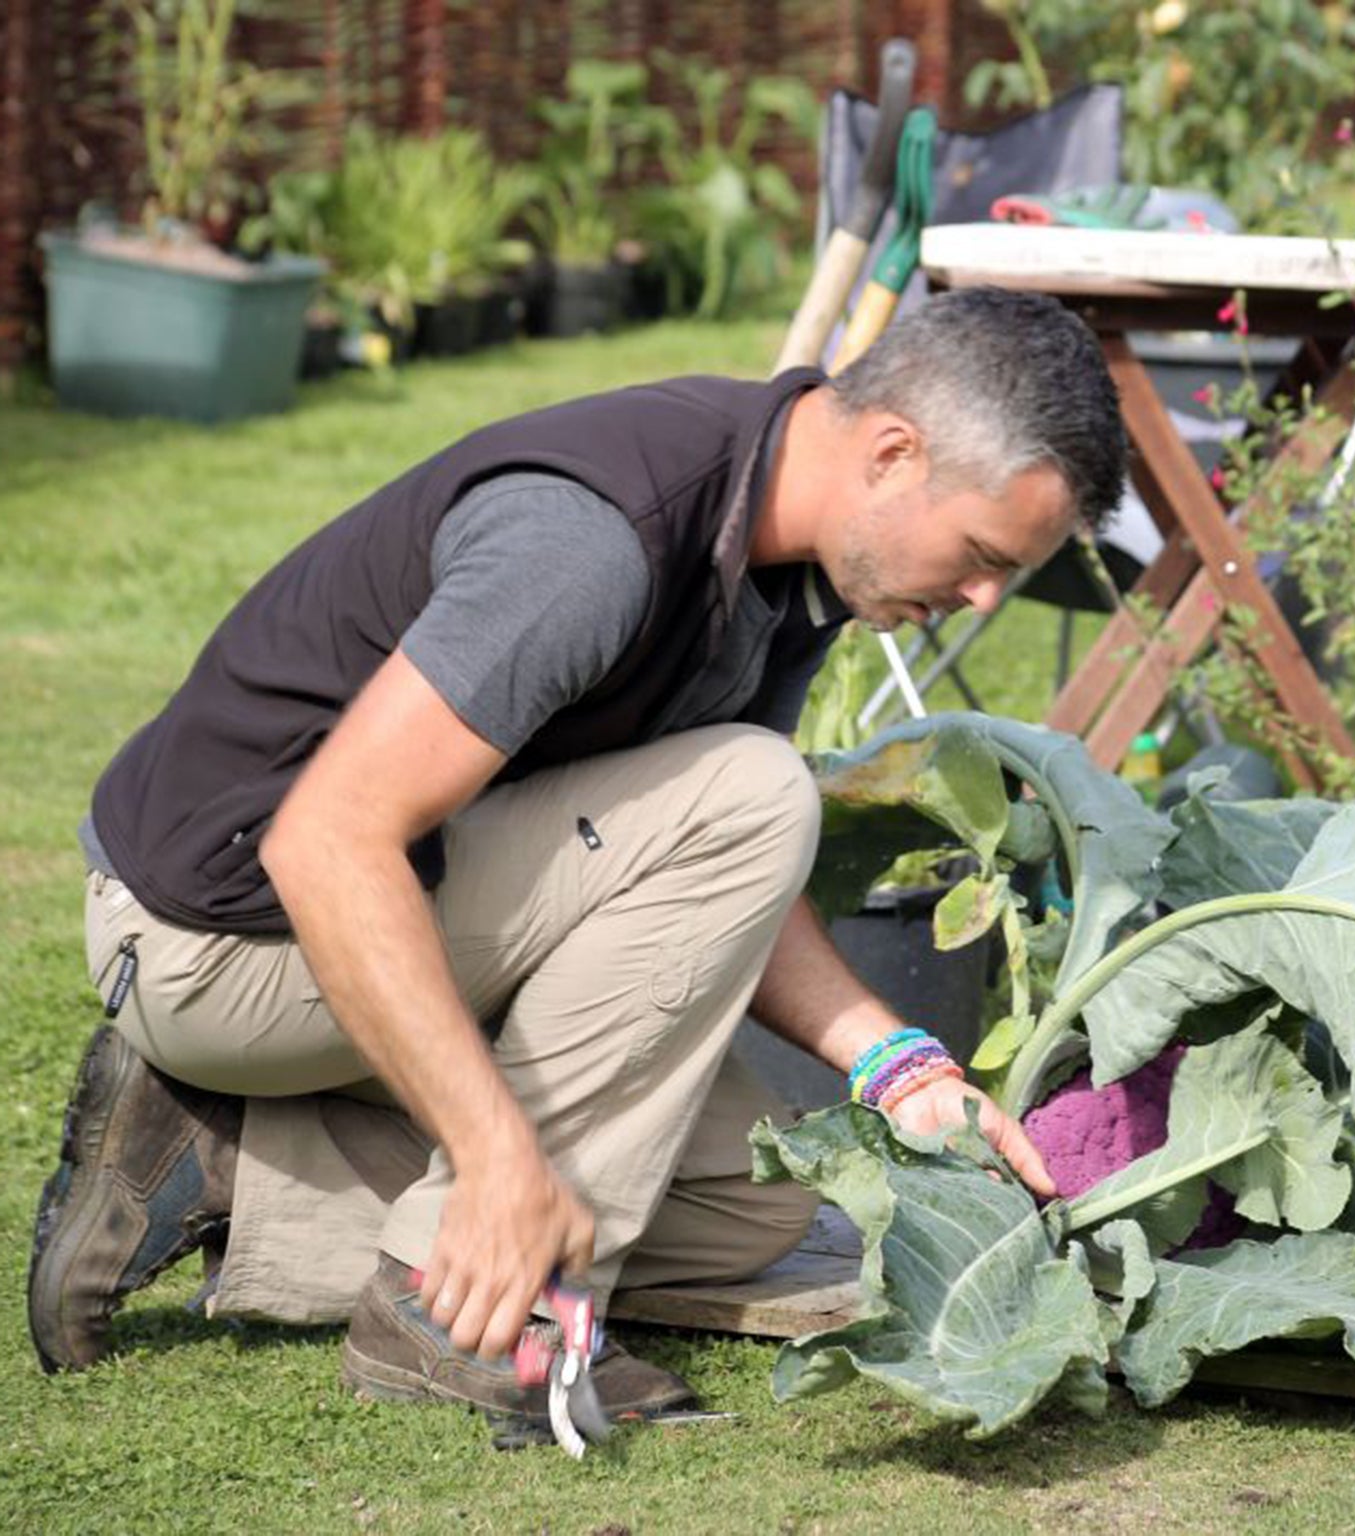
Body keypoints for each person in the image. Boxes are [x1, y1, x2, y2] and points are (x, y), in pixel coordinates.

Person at [28, 287, 1127, 1428]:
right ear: (894, 453)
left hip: (350, 939)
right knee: (754, 793)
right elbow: (327, 840)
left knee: (750, 1199)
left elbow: (699, 870)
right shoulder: (596, 540)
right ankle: (448, 1316)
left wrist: (900, 1072)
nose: (981, 598)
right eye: (985, 553)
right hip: (218, 938)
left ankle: (217, 1164)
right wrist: (493, 1153)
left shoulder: (786, 566)